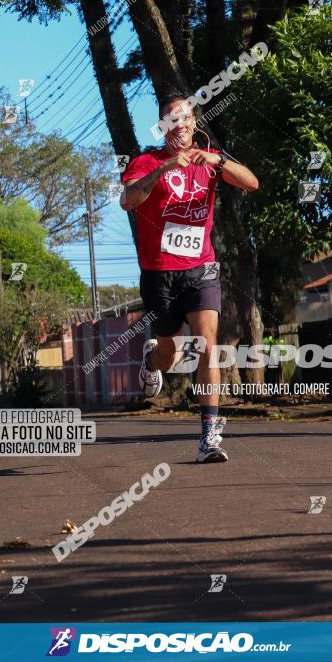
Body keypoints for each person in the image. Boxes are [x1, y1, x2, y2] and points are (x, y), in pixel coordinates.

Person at [120, 92, 259, 463]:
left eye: (183, 118)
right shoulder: (145, 161)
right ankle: (152, 362)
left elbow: (251, 182)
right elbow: (128, 200)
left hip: (202, 270)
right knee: (171, 353)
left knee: (207, 345)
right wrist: (164, 169)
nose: (178, 126)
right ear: (163, 128)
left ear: (194, 122)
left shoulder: (211, 158)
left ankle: (208, 439)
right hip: (160, 274)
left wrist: (217, 161)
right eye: (170, 121)